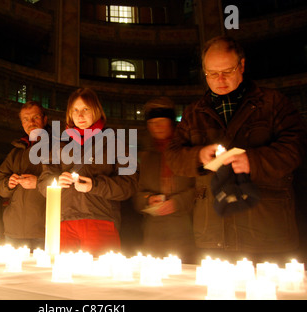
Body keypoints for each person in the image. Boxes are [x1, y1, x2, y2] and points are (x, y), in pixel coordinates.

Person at [166, 36, 307, 265]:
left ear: (241, 65)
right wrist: (199, 156)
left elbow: (297, 145)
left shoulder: (272, 103)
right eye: (212, 73)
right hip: (213, 233)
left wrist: (254, 160)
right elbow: (173, 155)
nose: (219, 80)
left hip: (266, 231)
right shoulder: (194, 113)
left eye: (227, 71)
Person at [37, 88, 138, 257]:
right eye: (75, 110)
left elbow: (130, 184)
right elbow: (43, 182)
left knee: (96, 280)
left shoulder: (115, 142)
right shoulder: (59, 144)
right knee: (62, 279)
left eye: (85, 109)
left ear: (96, 111)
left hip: (100, 221)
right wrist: (56, 182)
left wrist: (95, 185)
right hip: (63, 222)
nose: (80, 115)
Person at [133, 98, 196, 263]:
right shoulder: (145, 157)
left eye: (161, 122)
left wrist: (178, 202)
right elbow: (136, 194)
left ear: (171, 123)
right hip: (153, 234)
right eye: (152, 123)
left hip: (184, 232)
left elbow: (200, 189)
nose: (157, 127)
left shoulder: (187, 152)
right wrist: (148, 200)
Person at [0, 101, 49, 249]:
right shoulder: (16, 151)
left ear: (45, 120)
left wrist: (38, 183)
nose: (30, 123)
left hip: (43, 230)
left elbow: (66, 182)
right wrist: (8, 183)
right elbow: (0, 187)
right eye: (25, 119)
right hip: (14, 230)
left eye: (35, 117)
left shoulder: (57, 148)